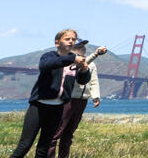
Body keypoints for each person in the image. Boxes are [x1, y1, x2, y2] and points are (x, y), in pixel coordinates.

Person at [9, 29, 89, 158]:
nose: (71, 41)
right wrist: (73, 58)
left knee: (44, 147)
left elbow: (83, 80)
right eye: (67, 39)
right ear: (57, 43)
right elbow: (46, 65)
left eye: (73, 39)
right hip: (39, 106)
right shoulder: (49, 56)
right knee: (25, 144)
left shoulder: (75, 63)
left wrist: (85, 70)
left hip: (57, 108)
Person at [48, 40, 107, 158]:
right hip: (68, 99)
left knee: (69, 133)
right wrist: (95, 54)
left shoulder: (92, 64)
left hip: (82, 100)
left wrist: (95, 96)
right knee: (57, 132)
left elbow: (93, 81)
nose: (83, 48)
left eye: (83, 46)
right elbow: (78, 66)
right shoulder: (68, 61)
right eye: (79, 46)